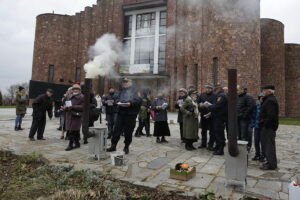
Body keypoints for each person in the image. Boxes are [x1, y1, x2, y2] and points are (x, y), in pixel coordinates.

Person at [107, 78, 141, 154]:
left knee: (128, 132)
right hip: (121, 113)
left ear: (130, 82)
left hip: (130, 114)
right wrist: (119, 102)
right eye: (123, 82)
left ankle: (126, 147)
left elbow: (138, 99)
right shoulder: (121, 91)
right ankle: (113, 145)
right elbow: (116, 98)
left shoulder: (136, 90)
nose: (124, 83)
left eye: (126, 82)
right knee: (116, 130)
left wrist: (130, 103)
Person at [200, 85, 228, 155]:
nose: (214, 90)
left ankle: (220, 150)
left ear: (218, 89)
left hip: (220, 118)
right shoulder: (221, 95)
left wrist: (208, 106)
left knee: (219, 134)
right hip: (217, 116)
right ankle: (218, 147)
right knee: (217, 133)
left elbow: (217, 106)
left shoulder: (221, 95)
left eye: (215, 89)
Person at [259, 85, 279, 170]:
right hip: (267, 126)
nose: (263, 92)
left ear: (269, 91)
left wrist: (264, 124)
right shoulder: (268, 99)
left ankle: (271, 164)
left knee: (269, 146)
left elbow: (271, 116)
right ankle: (269, 161)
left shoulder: (270, 101)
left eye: (264, 90)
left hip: (269, 127)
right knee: (267, 145)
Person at [65, 84, 84, 151]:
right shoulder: (69, 96)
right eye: (74, 89)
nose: (75, 90)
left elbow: (83, 107)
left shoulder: (82, 97)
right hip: (69, 115)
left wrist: (73, 107)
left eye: (77, 89)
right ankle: (77, 143)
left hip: (77, 116)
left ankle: (70, 145)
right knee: (75, 131)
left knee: (72, 131)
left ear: (79, 90)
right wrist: (66, 108)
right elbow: (67, 104)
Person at [197, 84, 217, 149]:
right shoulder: (202, 95)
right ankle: (203, 144)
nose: (208, 89)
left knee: (212, 131)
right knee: (203, 131)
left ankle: (210, 145)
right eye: (207, 88)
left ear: (212, 89)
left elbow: (216, 105)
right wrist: (200, 105)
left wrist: (211, 111)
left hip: (211, 115)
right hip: (203, 115)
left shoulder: (215, 95)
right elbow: (198, 102)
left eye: (209, 88)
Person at [237, 85, 255, 150]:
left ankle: (246, 148)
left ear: (242, 89)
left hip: (244, 119)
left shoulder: (248, 97)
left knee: (244, 135)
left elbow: (250, 107)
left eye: (237, 90)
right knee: (238, 134)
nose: (236, 91)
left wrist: (244, 115)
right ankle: (239, 148)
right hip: (238, 118)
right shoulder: (237, 97)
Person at [252, 93, 266, 162]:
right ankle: (257, 154)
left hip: (263, 127)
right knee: (256, 141)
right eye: (260, 97)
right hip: (257, 126)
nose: (261, 99)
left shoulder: (266, 106)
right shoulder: (257, 105)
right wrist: (253, 124)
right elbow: (254, 115)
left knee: (263, 142)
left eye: (263, 97)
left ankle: (263, 155)